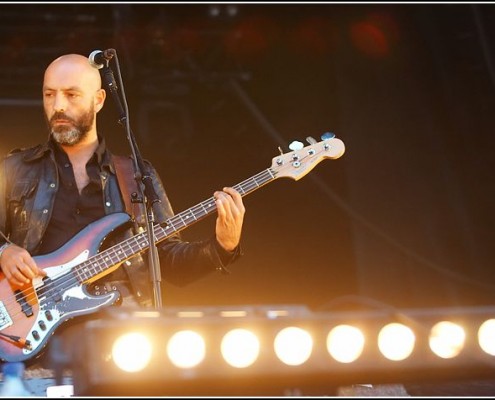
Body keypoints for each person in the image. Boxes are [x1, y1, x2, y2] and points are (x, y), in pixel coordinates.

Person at [0, 53, 245, 371]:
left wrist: (222, 247)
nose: (58, 105)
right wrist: (4, 250)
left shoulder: (135, 175)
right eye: (49, 94)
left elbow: (167, 260)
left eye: (71, 94)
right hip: (32, 351)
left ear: (99, 99)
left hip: (122, 348)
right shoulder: (15, 170)